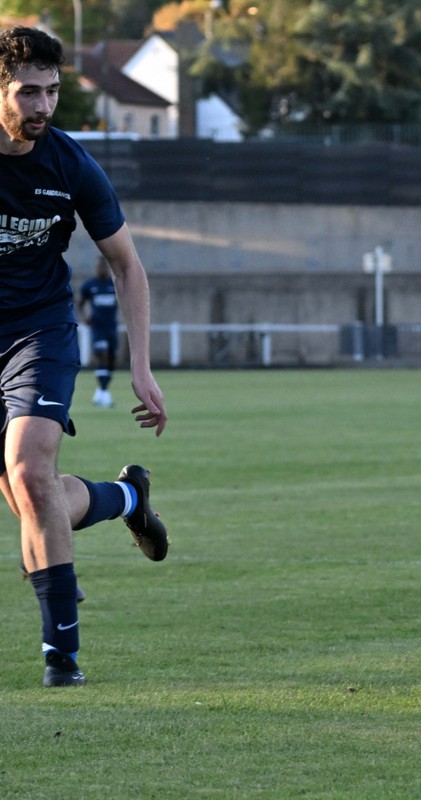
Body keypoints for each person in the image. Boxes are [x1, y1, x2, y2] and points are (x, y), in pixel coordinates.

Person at [0, 27, 169, 688]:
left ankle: (61, 657)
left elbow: (127, 265)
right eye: (28, 92)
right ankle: (128, 497)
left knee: (29, 470)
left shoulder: (71, 165)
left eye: (51, 91)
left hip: (39, 332)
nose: (43, 105)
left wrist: (140, 366)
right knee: (31, 501)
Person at [77, 256, 119, 408]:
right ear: (96, 268)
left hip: (112, 327)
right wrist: (84, 317)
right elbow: (80, 303)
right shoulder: (90, 285)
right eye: (100, 267)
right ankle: (104, 393)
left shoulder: (114, 285)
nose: (102, 269)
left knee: (112, 359)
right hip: (98, 328)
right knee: (102, 355)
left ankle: (101, 391)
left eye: (104, 267)